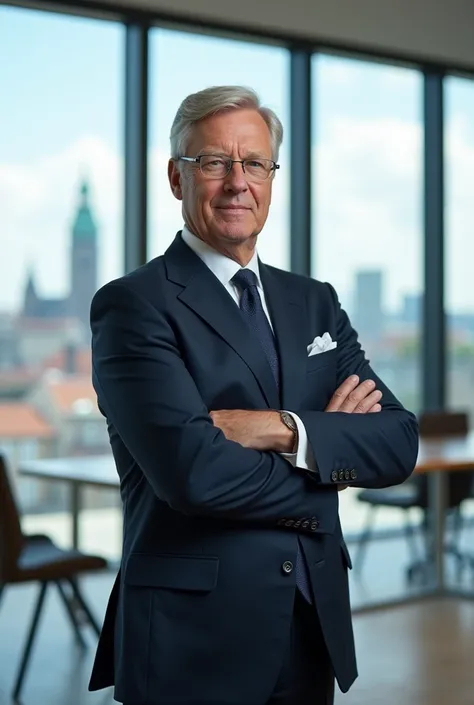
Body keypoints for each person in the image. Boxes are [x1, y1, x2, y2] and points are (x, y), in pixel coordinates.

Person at [88, 85, 418, 705]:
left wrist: (282, 430)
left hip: (310, 624)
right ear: (175, 178)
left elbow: (398, 442)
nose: (238, 181)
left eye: (255, 163)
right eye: (214, 162)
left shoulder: (313, 301)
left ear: (271, 177)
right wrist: (328, 464)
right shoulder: (134, 305)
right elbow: (193, 475)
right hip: (194, 639)